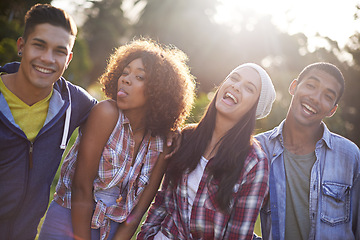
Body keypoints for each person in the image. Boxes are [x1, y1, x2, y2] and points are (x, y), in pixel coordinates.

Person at [38, 38, 196, 240]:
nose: (126, 79)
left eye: (140, 77)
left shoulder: (163, 142)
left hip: (114, 230)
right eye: (125, 72)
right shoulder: (106, 114)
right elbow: (81, 186)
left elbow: (139, 210)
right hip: (70, 220)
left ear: (160, 91)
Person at [137, 63, 276, 240]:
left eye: (249, 88)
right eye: (234, 78)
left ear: (254, 108)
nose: (236, 86)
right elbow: (163, 202)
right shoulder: (186, 137)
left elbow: (238, 235)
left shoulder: (254, 163)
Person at [0, 4, 97, 239]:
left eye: (59, 51)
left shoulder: (76, 103)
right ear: (21, 46)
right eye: (39, 45)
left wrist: (173, 134)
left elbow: (118, 116)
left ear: (69, 58)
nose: (47, 59)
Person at [255, 62, 360, 239]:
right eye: (311, 86)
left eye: (327, 96)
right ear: (294, 87)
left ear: (332, 110)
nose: (316, 98)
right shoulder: (258, 149)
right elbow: (234, 218)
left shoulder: (350, 156)